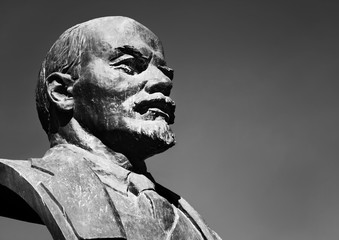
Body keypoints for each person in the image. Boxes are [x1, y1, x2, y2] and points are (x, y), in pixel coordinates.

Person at [0, 16, 221, 240]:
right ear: (63, 92)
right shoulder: (26, 178)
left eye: (165, 73)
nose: (163, 82)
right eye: (129, 65)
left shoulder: (194, 222)